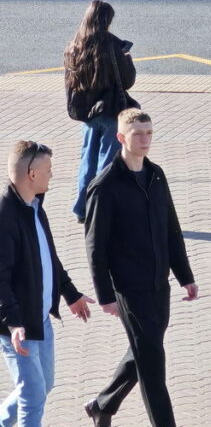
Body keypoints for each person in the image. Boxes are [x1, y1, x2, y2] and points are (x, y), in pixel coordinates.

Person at [84, 109, 198, 427]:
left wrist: (185, 276)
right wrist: (105, 295)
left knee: (145, 349)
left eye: (149, 132)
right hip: (129, 288)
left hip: (159, 284)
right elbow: (95, 247)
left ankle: (102, 404)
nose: (145, 140)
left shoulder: (156, 175)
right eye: (138, 134)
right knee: (153, 368)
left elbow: (171, 229)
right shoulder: (105, 185)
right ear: (121, 137)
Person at [0, 141, 93, 427]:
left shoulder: (34, 207)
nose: (52, 175)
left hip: (40, 320)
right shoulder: (5, 217)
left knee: (44, 385)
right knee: (33, 395)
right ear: (31, 174)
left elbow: (48, 257)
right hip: (19, 325)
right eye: (48, 170)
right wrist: (13, 323)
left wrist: (71, 293)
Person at [65, 0, 137, 224]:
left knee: (87, 160)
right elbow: (127, 81)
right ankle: (101, 207)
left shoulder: (75, 47)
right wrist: (127, 60)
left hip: (88, 115)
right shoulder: (112, 46)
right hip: (111, 112)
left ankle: (81, 208)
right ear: (107, 20)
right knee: (108, 163)